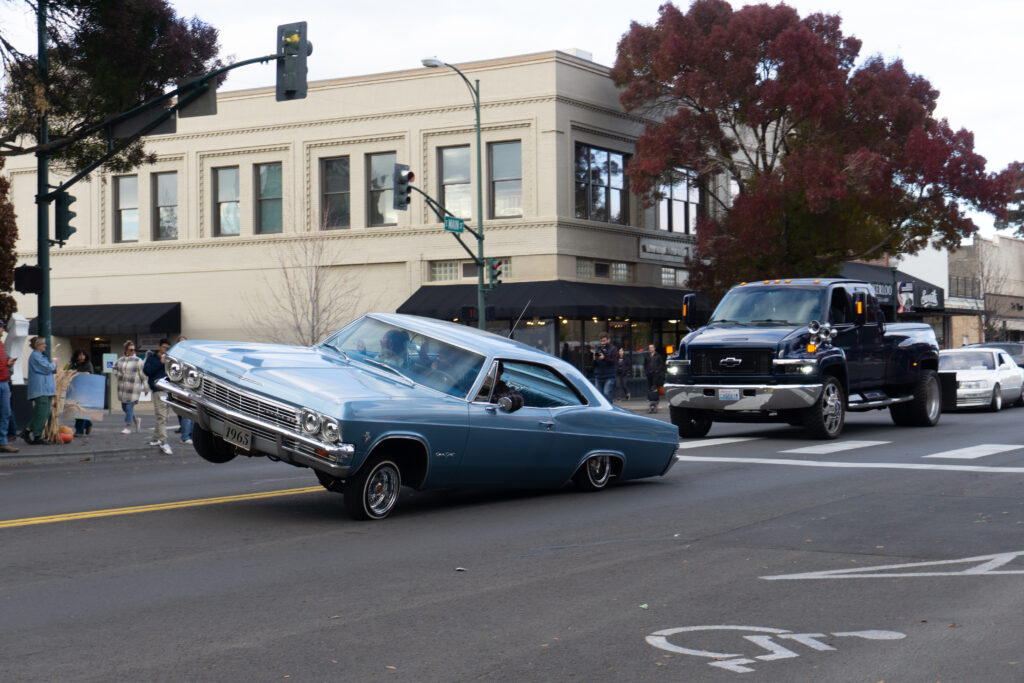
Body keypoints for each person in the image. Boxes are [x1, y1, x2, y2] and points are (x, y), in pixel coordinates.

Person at [24, 336, 56, 445]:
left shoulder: (40, 356)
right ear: (38, 346)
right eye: (43, 344)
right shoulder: (36, 357)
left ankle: (28, 431)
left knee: (44, 413)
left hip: (45, 389)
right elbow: (47, 368)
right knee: (41, 413)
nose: (45, 346)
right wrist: (54, 364)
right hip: (40, 389)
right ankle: (36, 435)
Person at [143, 339, 173, 455]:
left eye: (168, 348)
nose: (166, 350)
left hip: (169, 390)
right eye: (165, 347)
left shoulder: (170, 360)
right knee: (161, 416)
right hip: (158, 390)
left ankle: (156, 438)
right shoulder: (152, 358)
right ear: (160, 347)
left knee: (165, 417)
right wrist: (160, 362)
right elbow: (147, 371)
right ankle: (164, 442)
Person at [113, 340, 146, 435]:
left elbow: (143, 374)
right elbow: (114, 369)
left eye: (134, 350)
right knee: (125, 408)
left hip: (134, 388)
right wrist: (120, 376)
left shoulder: (138, 361)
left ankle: (127, 427)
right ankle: (136, 420)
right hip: (123, 389)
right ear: (126, 351)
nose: (133, 352)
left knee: (129, 406)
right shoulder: (120, 360)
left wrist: (146, 387)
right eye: (131, 350)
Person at [67, 349, 95, 436]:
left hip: (85, 390)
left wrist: (77, 373)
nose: (81, 357)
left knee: (81, 411)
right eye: (79, 355)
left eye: (83, 355)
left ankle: (79, 431)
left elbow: (89, 374)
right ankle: (88, 423)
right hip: (75, 390)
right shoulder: (73, 365)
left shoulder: (88, 364)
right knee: (76, 410)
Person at [0, 321, 17, 453]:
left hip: (4, 382)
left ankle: (2, 442)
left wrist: (8, 363)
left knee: (5, 413)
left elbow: (3, 362)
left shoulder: (1, 345)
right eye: (1, 327)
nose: (3, 330)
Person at [175, 335, 193, 445]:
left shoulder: (191, 356)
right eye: (181, 343)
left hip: (189, 387)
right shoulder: (175, 356)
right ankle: (186, 432)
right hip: (178, 386)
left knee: (188, 412)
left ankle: (186, 436)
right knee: (181, 412)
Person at [592, 332, 618, 402]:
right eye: (601, 341)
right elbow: (594, 365)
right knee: (599, 395)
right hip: (599, 376)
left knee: (607, 393)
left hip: (609, 376)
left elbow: (614, 361)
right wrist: (594, 358)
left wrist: (604, 358)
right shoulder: (598, 349)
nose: (602, 342)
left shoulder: (613, 349)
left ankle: (609, 409)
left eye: (604, 341)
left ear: (608, 340)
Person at [644, 344, 666, 414]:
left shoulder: (658, 355)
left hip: (655, 374)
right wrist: (646, 371)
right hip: (649, 374)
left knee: (654, 387)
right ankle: (650, 403)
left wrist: (657, 370)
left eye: (652, 347)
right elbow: (645, 364)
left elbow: (661, 364)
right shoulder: (647, 355)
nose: (651, 349)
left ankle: (655, 404)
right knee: (650, 387)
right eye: (649, 347)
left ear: (654, 348)